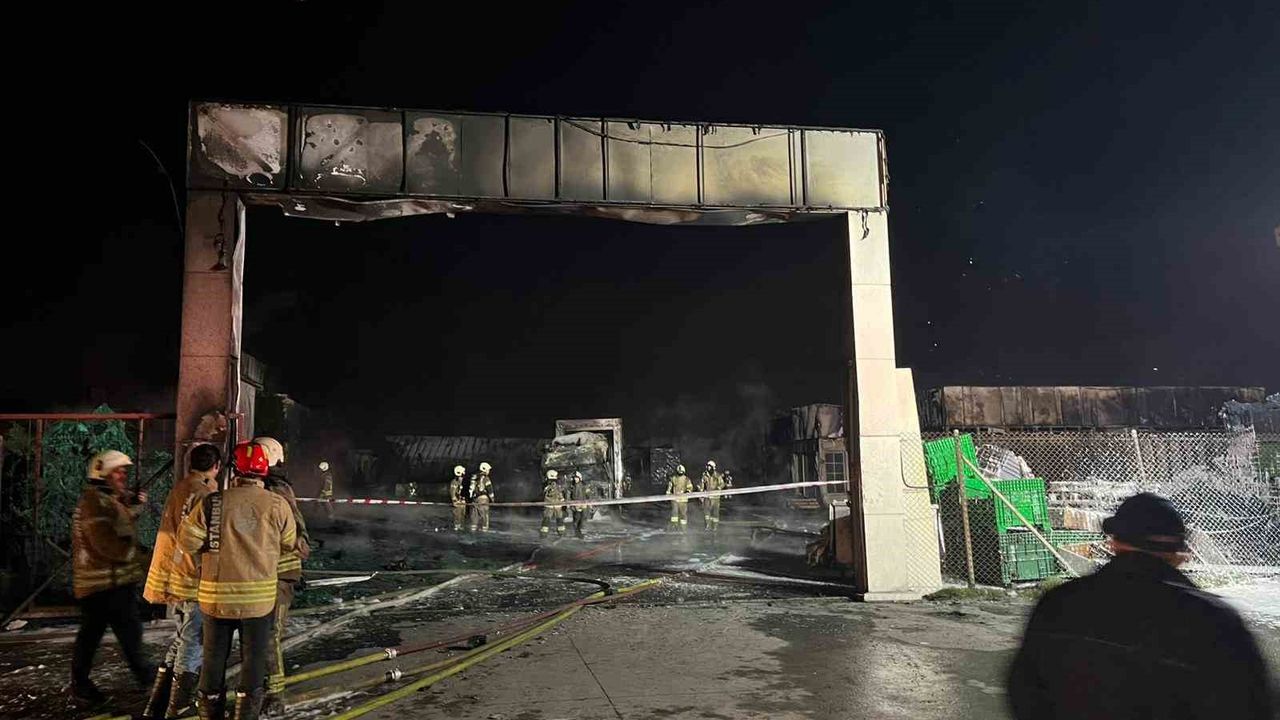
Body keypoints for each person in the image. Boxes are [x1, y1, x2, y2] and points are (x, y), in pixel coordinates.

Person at [1007, 492, 1274, 720]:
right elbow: (1253, 706)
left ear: (1115, 543)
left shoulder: (1057, 604)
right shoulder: (1215, 622)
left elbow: (1024, 693)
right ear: (1179, 554)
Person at [181, 442, 297, 720]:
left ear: (234, 470)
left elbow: (187, 542)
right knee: (253, 662)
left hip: (216, 599)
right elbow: (289, 542)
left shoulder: (213, 502)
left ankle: (209, 713)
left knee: (213, 660)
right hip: (258, 602)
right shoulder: (277, 504)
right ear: (264, 470)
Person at [141, 443, 221, 719]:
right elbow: (203, 539)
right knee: (192, 640)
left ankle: (158, 703)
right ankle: (178, 706)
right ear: (216, 467)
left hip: (175, 575)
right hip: (193, 577)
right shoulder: (204, 494)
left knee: (181, 637)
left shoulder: (181, 488)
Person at [70, 450, 153, 709]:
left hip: (109, 583)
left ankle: (83, 685)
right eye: (118, 472)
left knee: (99, 635)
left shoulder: (104, 500)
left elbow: (118, 523)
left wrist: (134, 508)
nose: (123, 476)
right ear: (102, 474)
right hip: (105, 584)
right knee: (124, 633)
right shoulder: (95, 503)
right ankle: (145, 677)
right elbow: (106, 542)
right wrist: (141, 555)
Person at [253, 437, 311, 716]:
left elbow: (296, 537)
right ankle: (259, 686)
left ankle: (274, 693)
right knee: (262, 633)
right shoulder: (272, 486)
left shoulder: (275, 489)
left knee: (269, 634)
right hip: (267, 571)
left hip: (277, 573)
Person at [697, 460, 728, 532]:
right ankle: (707, 526)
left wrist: (718, 488)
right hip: (707, 497)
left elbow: (722, 483)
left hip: (716, 497)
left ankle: (715, 527)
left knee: (715, 513)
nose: (708, 468)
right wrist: (701, 494)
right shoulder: (704, 475)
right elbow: (701, 485)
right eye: (707, 466)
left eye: (709, 466)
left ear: (713, 467)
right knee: (706, 513)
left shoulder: (717, 475)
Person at [666, 465, 694, 531]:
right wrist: (668, 495)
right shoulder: (673, 478)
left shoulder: (687, 479)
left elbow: (690, 488)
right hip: (675, 500)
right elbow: (669, 488)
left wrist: (687, 492)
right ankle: (675, 527)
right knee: (674, 514)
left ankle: (683, 528)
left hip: (683, 500)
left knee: (683, 514)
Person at [469, 462, 495, 532]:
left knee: (475, 517)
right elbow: (490, 489)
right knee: (484, 517)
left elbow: (471, 490)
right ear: (485, 470)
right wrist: (492, 499)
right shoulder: (486, 478)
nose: (489, 471)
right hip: (483, 500)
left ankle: (473, 530)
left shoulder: (474, 478)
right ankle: (484, 530)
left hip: (475, 500)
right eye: (488, 470)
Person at [540, 470, 565, 538]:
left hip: (553, 505)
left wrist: (562, 499)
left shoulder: (553, 486)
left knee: (552, 519)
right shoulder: (550, 486)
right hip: (552, 505)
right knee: (554, 519)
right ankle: (560, 532)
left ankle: (545, 533)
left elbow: (558, 493)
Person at [567, 471, 589, 539]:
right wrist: (568, 503)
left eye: (576, 478)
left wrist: (590, 503)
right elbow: (568, 495)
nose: (575, 479)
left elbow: (588, 495)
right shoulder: (572, 486)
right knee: (576, 519)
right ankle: (577, 532)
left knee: (583, 518)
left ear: (580, 478)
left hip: (583, 504)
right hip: (575, 505)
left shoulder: (584, 485)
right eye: (574, 478)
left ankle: (580, 532)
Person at [448, 465, 468, 532]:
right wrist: (454, 501)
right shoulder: (454, 482)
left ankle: (461, 528)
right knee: (457, 517)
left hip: (462, 502)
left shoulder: (463, 481)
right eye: (463, 472)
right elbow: (452, 492)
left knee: (462, 517)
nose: (464, 473)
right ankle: (456, 529)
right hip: (458, 503)